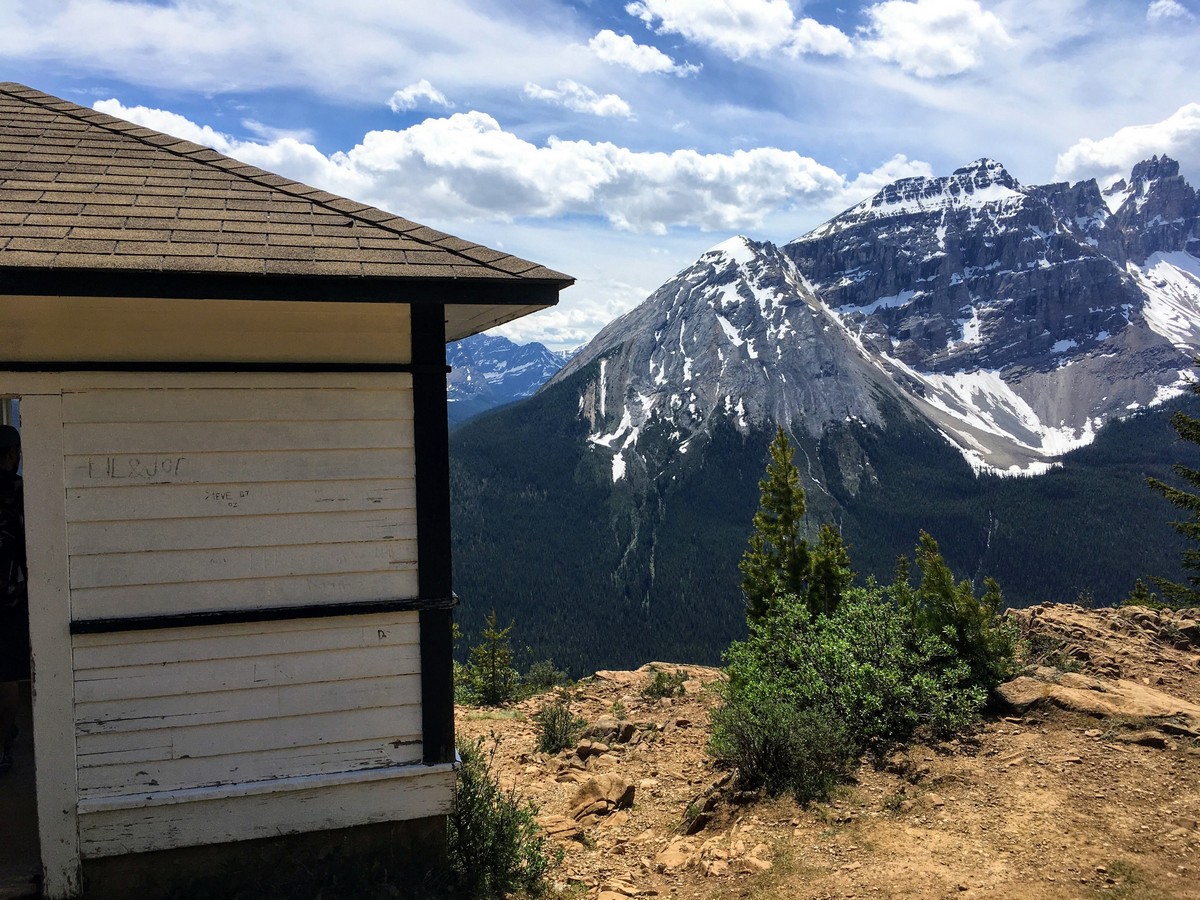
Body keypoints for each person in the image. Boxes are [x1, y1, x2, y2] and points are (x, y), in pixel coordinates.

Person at [0, 424, 27, 775]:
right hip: (10, 596)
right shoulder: (21, 492)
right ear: (12, 454)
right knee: (7, 676)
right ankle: (4, 744)